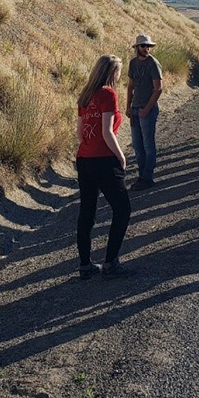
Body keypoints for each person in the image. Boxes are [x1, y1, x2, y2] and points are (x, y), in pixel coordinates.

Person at [76, 55, 131, 278]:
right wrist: (120, 155)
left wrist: (89, 149)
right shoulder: (108, 94)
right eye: (118, 71)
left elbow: (80, 134)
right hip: (104, 159)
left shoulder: (85, 95)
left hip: (84, 159)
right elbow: (107, 131)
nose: (119, 75)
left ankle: (85, 265)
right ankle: (110, 262)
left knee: (87, 212)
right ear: (111, 72)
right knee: (122, 209)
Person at [126, 34, 163, 190]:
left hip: (146, 109)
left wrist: (146, 109)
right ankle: (142, 176)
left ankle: (147, 176)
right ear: (137, 48)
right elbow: (130, 86)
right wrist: (128, 106)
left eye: (148, 46)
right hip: (135, 108)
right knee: (137, 145)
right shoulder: (133, 63)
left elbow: (158, 88)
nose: (146, 49)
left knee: (148, 145)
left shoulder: (153, 63)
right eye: (143, 46)